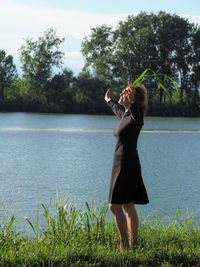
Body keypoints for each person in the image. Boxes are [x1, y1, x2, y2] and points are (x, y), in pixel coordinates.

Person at [104, 83, 149, 249]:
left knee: (114, 206)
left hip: (126, 164)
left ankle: (124, 245)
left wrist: (132, 102)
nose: (120, 93)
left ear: (132, 98)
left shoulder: (136, 117)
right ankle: (133, 244)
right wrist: (108, 100)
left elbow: (136, 112)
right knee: (128, 205)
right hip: (121, 164)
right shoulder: (126, 115)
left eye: (124, 92)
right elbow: (117, 109)